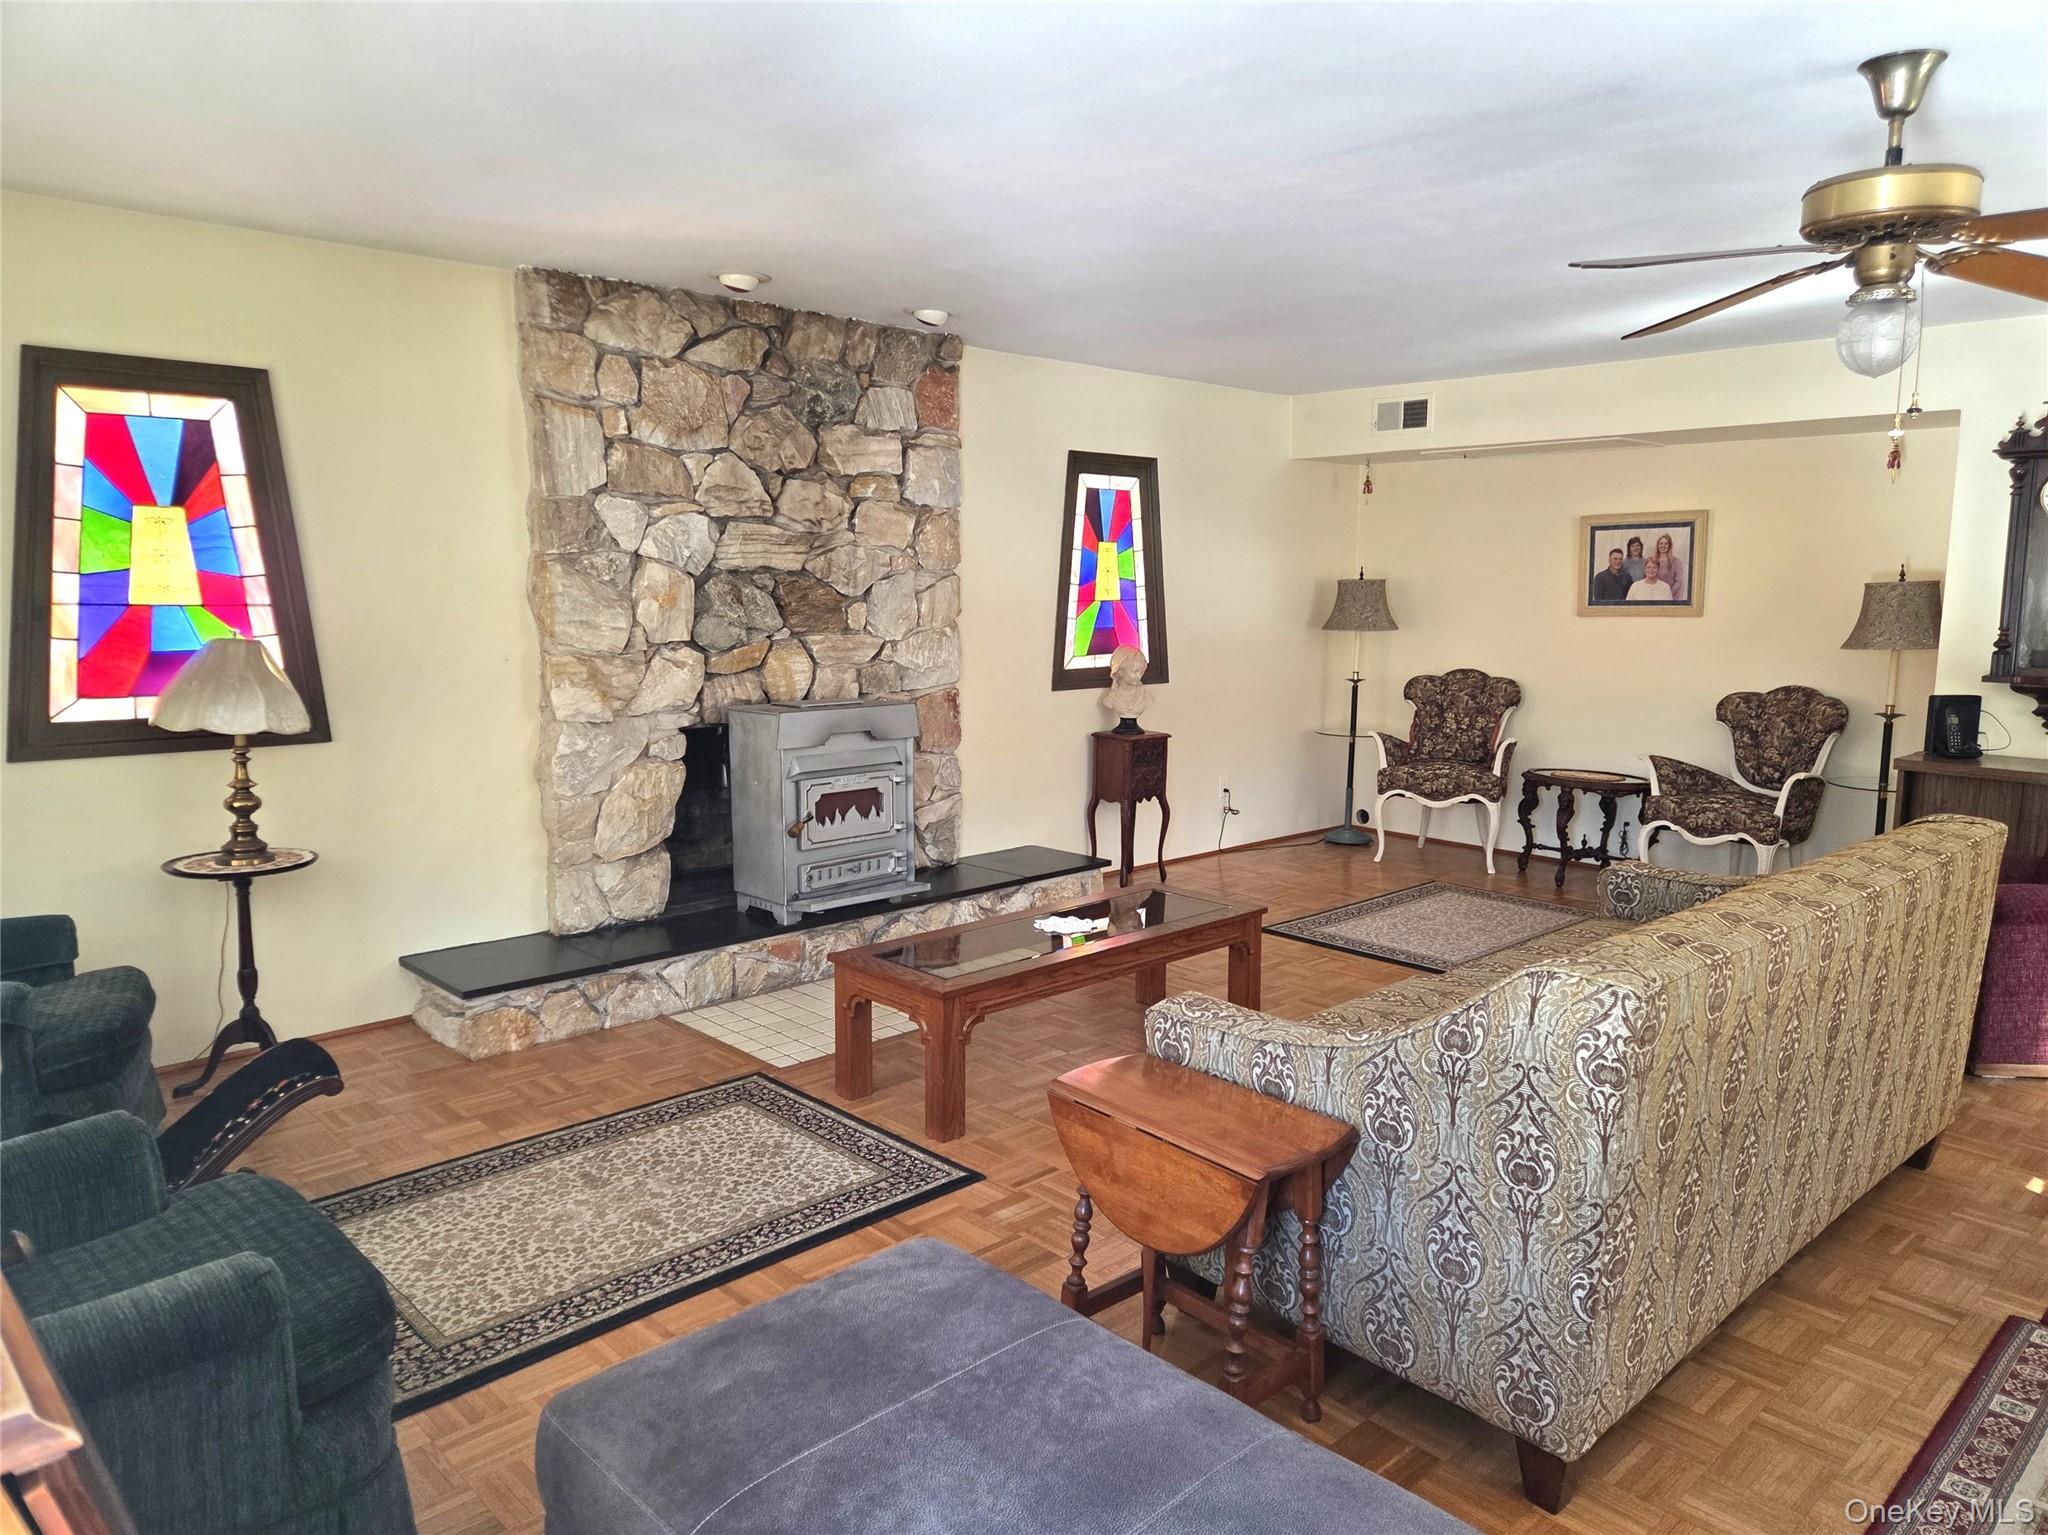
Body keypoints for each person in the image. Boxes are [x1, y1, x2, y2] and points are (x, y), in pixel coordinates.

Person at [1653, 533, 1687, 602]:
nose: (1663, 546)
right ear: (1657, 545)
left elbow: (1678, 582)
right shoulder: (1653, 561)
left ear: (1669, 546)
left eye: (1666, 544)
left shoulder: (1676, 562)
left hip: (1670, 597)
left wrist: (1667, 594)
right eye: (1661, 543)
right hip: (1654, 597)